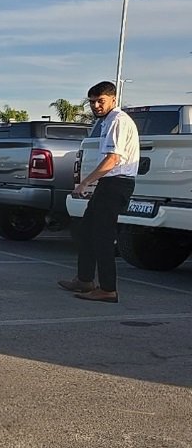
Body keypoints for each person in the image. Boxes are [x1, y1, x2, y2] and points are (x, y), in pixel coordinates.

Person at [58, 81, 140, 303]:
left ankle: (108, 289)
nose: (95, 106)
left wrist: (85, 183)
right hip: (109, 184)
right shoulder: (108, 121)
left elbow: (113, 159)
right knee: (87, 231)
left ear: (113, 99)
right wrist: (95, 184)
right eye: (92, 102)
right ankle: (84, 280)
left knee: (102, 236)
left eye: (100, 101)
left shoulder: (118, 121)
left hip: (117, 184)